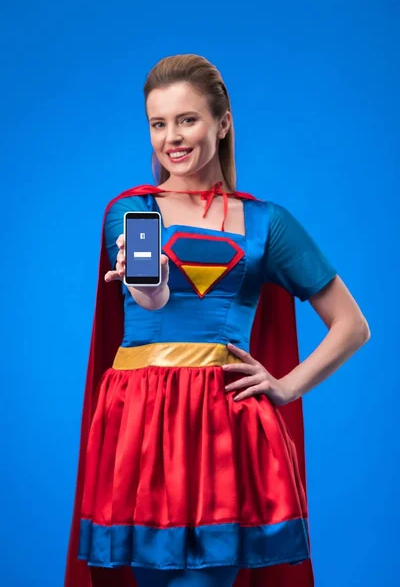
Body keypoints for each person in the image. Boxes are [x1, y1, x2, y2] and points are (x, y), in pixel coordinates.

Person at [64, 54, 370, 587]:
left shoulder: (265, 222)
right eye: (158, 123)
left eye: (187, 119)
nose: (171, 138)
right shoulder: (133, 212)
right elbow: (153, 305)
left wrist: (286, 386)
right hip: (139, 422)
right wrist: (148, 280)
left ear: (222, 122)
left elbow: (351, 324)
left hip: (225, 424)